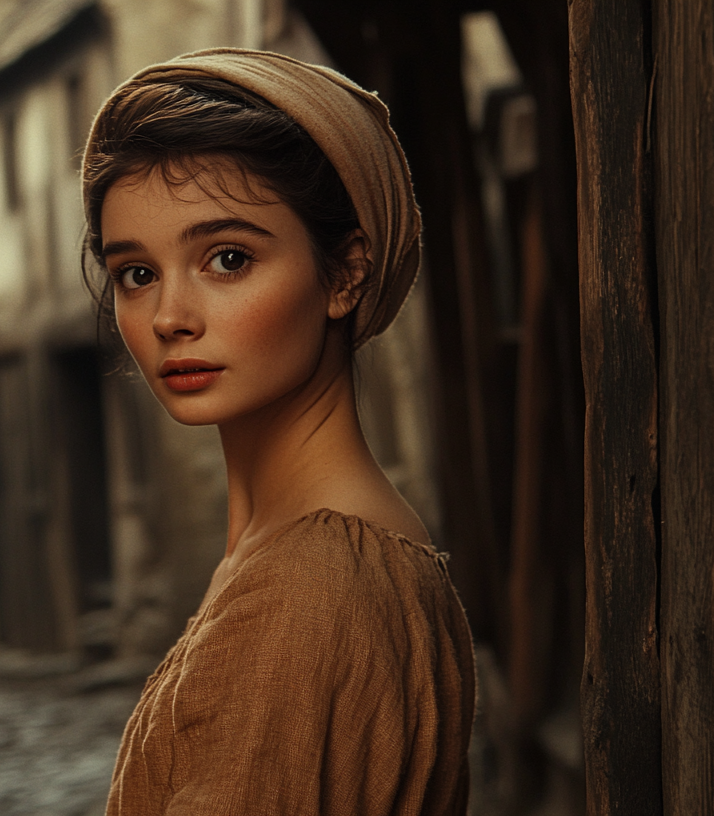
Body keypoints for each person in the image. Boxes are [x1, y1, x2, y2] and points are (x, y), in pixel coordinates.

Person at [79, 48, 476, 815]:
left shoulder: (310, 588)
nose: (168, 317)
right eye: (137, 273)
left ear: (345, 274)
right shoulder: (307, 554)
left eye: (228, 258)